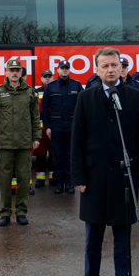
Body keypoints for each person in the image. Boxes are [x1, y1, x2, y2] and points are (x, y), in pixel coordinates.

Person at [71, 47, 139, 276]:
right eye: (105, 66)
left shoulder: (135, 97)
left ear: (122, 68)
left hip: (124, 180)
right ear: (96, 69)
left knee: (122, 241)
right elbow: (77, 141)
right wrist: (79, 177)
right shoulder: (85, 97)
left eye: (114, 65)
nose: (110, 70)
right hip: (93, 180)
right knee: (93, 241)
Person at [0, 59, 41, 226]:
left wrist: (36, 137)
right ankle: (4, 213)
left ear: (21, 72)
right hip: (4, 143)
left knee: (24, 180)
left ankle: (21, 212)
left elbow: (35, 117)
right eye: (11, 70)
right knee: (4, 180)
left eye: (17, 70)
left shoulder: (30, 92)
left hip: (25, 143)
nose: (15, 73)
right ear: (6, 72)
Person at [41, 61, 83, 194]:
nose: (64, 70)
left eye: (66, 68)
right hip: (56, 128)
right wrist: (47, 127)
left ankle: (70, 183)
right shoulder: (51, 87)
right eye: (62, 68)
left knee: (70, 156)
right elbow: (44, 108)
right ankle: (59, 183)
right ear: (58, 70)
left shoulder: (76, 85)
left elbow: (82, 107)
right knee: (58, 156)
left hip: (72, 128)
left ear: (69, 70)